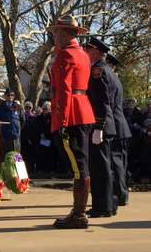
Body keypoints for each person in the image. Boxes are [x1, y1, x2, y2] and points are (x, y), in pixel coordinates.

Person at [48, 15, 95, 229]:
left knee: (78, 167)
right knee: (81, 165)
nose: (54, 35)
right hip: (83, 111)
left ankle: (78, 215)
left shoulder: (65, 55)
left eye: (57, 32)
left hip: (72, 115)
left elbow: (64, 91)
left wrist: (63, 121)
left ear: (68, 34)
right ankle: (78, 212)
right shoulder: (83, 55)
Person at [85, 37, 118, 217]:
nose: (86, 53)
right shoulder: (108, 70)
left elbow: (102, 101)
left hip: (101, 125)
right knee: (106, 167)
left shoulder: (98, 70)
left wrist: (98, 126)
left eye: (88, 50)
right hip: (107, 124)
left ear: (97, 52)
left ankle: (102, 207)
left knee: (100, 168)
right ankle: (109, 204)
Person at [106, 53, 132, 206]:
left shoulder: (111, 79)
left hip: (115, 126)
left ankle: (120, 194)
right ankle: (122, 193)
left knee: (116, 163)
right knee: (120, 162)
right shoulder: (116, 79)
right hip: (120, 126)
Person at [0, 88, 23, 158]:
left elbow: (23, 120)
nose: (10, 97)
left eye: (12, 95)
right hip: (5, 138)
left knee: (16, 159)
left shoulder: (17, 107)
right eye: (8, 95)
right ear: (5, 96)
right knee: (6, 158)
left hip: (15, 138)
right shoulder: (0, 107)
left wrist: (18, 131)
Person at [20, 101, 35, 176]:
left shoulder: (33, 117)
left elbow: (34, 129)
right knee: (23, 156)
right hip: (23, 139)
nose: (28, 109)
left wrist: (31, 138)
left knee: (30, 156)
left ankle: (31, 171)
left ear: (31, 108)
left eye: (29, 107)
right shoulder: (22, 116)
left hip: (31, 139)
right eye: (26, 107)